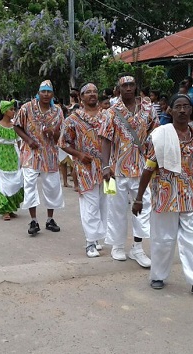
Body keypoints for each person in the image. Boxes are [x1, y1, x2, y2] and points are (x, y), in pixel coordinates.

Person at [132, 94, 193, 298]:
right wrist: (139, 198)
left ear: (191, 110)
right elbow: (149, 167)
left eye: (185, 107)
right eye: (177, 107)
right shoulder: (160, 135)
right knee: (163, 239)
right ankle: (158, 276)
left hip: (190, 196)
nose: (182, 110)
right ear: (170, 110)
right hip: (165, 195)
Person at [100, 74, 159, 267]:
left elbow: (155, 133)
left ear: (136, 87)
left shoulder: (148, 109)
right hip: (114, 171)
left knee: (144, 206)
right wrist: (105, 166)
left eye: (131, 85)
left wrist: (153, 158)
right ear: (118, 89)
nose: (128, 88)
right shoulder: (111, 111)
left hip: (142, 169)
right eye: (124, 85)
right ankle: (117, 246)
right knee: (114, 208)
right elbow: (105, 138)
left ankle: (137, 247)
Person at [59, 83, 108, 256]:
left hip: (107, 167)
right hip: (85, 167)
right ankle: (90, 242)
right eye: (88, 92)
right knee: (90, 203)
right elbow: (63, 143)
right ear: (81, 97)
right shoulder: (73, 119)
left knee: (104, 203)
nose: (92, 94)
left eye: (95, 91)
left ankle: (97, 237)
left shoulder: (107, 117)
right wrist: (79, 155)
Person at [14, 80, 65, 235]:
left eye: (49, 91)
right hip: (31, 153)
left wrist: (52, 132)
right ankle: (33, 220)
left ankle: (50, 219)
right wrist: (28, 140)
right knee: (30, 186)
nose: (46, 94)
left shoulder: (57, 111)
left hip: (50, 154)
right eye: (43, 91)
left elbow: (61, 133)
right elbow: (17, 125)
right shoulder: (27, 108)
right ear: (38, 92)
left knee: (52, 186)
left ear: (52, 94)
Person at [0, 100, 24, 220]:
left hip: (13, 154)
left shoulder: (15, 126)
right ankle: (4, 209)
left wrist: (22, 158)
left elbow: (20, 143)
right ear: (4, 111)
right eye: (11, 109)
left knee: (15, 180)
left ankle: (11, 207)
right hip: (1, 154)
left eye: (14, 109)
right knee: (2, 182)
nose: (14, 112)